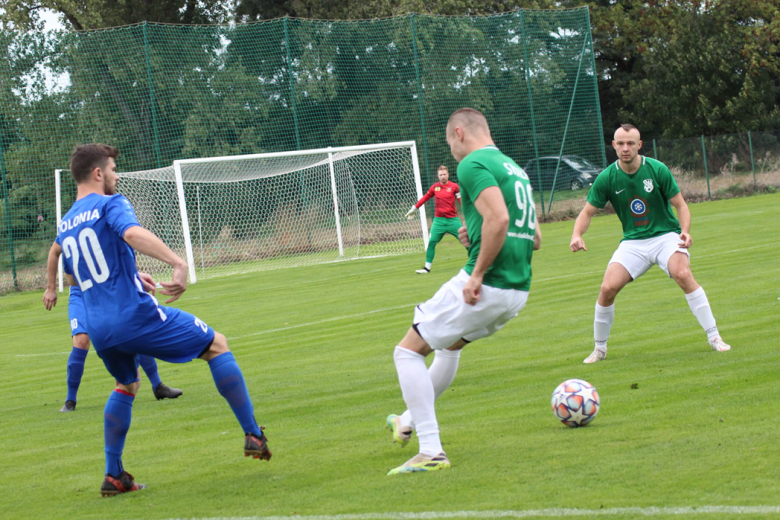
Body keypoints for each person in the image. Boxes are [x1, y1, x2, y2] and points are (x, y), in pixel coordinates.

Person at [43, 143, 271, 497]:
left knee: (126, 385)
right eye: (114, 169)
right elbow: (131, 234)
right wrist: (177, 263)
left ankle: (114, 475)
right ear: (98, 173)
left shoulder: (66, 224)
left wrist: (135, 277)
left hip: (99, 328)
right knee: (216, 344)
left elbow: (91, 271)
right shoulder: (110, 203)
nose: (117, 176)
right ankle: (254, 434)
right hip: (133, 316)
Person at [387, 108, 541, 475]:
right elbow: (533, 237)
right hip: (517, 290)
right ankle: (407, 418)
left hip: (487, 283)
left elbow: (500, 220)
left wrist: (477, 273)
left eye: (449, 144)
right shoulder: (514, 169)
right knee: (450, 346)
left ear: (459, 133)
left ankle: (431, 450)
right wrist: (474, 233)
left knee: (407, 352)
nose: (451, 153)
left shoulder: (472, 164)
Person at [570, 124, 731, 364]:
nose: (626, 148)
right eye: (621, 143)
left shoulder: (657, 169)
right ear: (613, 146)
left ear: (639, 145)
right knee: (607, 289)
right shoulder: (607, 177)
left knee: (682, 273)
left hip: (665, 236)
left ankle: (715, 337)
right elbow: (586, 213)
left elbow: (681, 206)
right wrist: (576, 234)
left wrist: (685, 232)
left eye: (630, 143)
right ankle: (599, 349)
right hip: (633, 242)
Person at [60, 282, 183, 413]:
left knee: (133, 333)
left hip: (107, 291)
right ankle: (70, 400)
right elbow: (56, 260)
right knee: (81, 341)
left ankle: (158, 386)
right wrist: (50, 288)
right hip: (81, 293)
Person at [405, 165, 465, 274]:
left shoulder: (454, 187)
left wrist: (468, 215)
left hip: (453, 220)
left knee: (466, 241)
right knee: (431, 242)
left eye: (444, 174)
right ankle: (427, 268)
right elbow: (425, 198)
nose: (442, 176)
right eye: (440, 175)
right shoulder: (434, 187)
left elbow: (461, 202)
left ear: (448, 175)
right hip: (438, 221)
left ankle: (478, 262)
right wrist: (414, 208)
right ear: (438, 176)